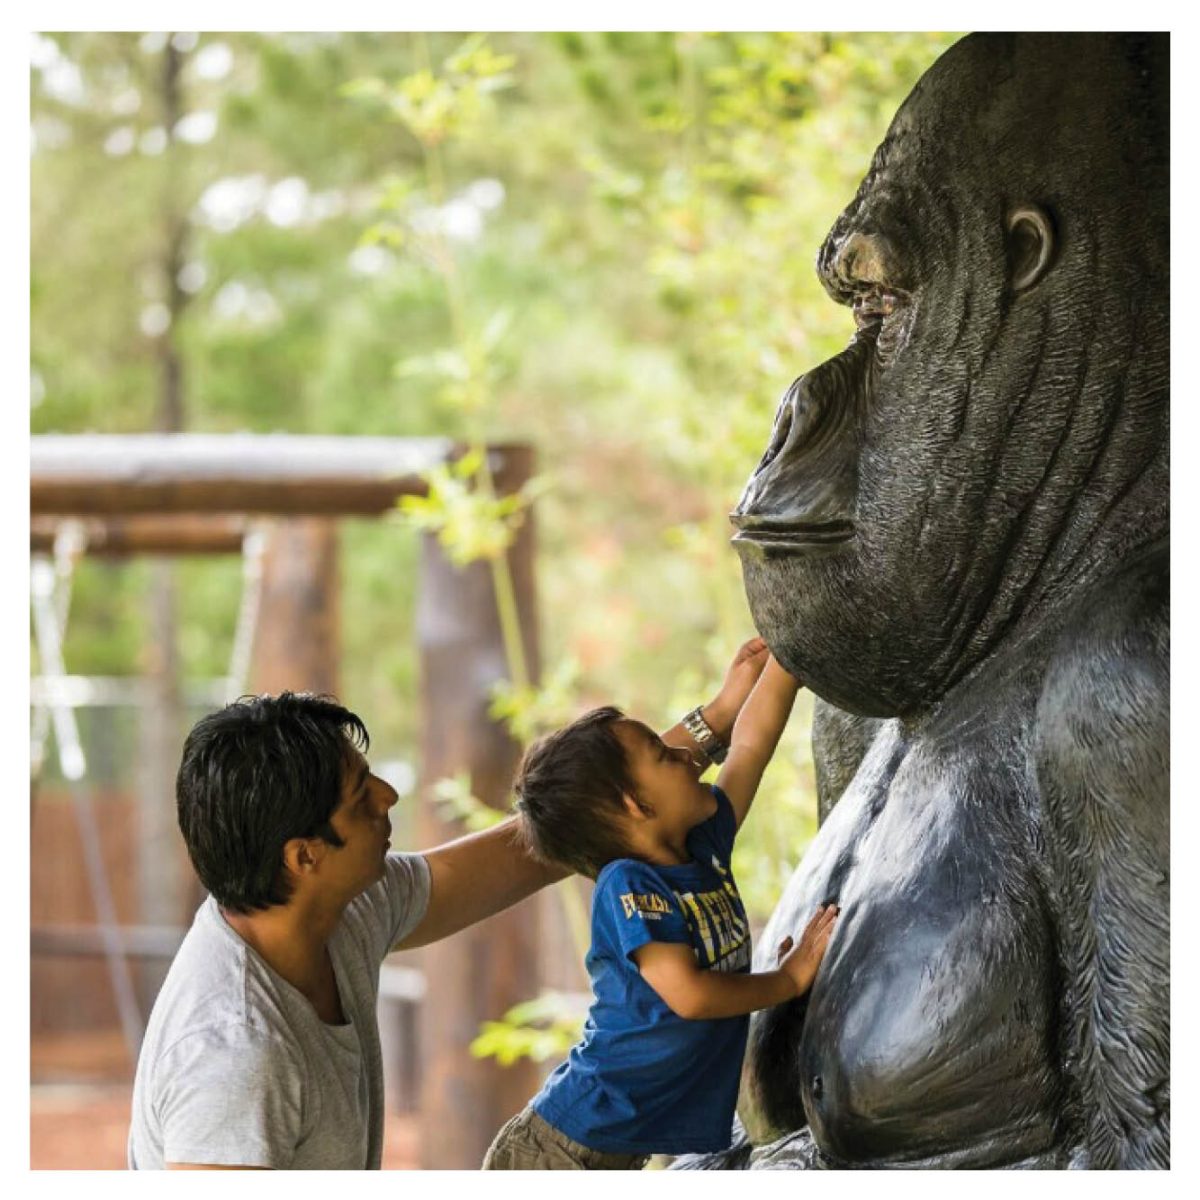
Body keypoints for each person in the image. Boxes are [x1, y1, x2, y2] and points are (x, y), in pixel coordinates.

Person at [127, 643, 769, 1170]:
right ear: (304, 856)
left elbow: (554, 838)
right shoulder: (233, 1053)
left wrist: (709, 724)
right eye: (360, 799)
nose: (389, 794)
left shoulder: (341, 910)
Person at [483, 652, 838, 1170]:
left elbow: (750, 746)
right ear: (635, 805)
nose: (687, 756)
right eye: (662, 754)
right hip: (559, 1150)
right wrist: (786, 980)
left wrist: (788, 656)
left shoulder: (703, 848)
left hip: (611, 1149)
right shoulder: (630, 885)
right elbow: (689, 995)